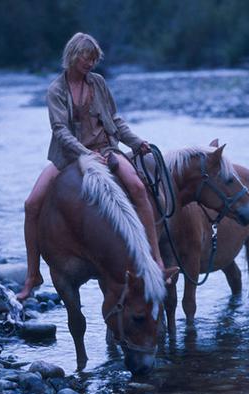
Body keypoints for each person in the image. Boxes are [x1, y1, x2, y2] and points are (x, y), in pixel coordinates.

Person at [17, 32, 164, 301]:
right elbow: (60, 131)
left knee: (138, 188)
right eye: (88, 57)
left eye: (95, 59)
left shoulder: (98, 83)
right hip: (68, 156)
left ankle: (155, 258)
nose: (91, 63)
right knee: (32, 204)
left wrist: (135, 141)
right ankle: (32, 275)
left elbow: (115, 120)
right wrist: (84, 154)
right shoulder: (56, 90)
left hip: (106, 150)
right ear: (73, 56)